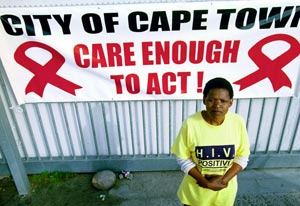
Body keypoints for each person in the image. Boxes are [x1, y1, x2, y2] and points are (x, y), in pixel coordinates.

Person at [171, 77, 250, 206]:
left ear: (230, 103)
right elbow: (182, 158)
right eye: (211, 100)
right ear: (204, 100)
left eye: (223, 101)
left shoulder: (238, 122)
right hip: (195, 194)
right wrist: (204, 182)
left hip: (224, 193)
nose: (217, 105)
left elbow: (242, 157)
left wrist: (224, 181)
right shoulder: (191, 123)